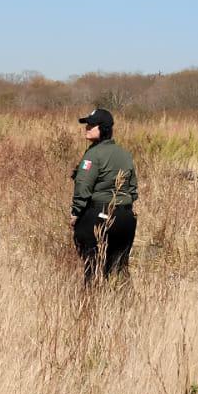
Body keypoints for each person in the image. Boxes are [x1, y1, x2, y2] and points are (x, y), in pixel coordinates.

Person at [70, 108, 139, 283]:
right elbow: (133, 188)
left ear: (104, 128)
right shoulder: (125, 154)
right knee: (119, 268)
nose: (87, 127)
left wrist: (76, 212)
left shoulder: (93, 154)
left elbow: (82, 186)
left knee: (92, 269)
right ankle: (124, 304)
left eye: (92, 125)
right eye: (87, 124)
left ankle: (92, 303)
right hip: (126, 218)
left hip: (98, 215)